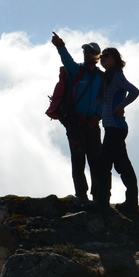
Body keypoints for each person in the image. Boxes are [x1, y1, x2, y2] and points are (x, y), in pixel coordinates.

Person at [51, 32, 103, 203]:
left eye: (91, 52)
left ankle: (98, 196)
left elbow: (104, 100)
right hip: (75, 122)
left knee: (96, 160)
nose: (87, 54)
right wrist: (60, 46)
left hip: (92, 124)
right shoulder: (76, 71)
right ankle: (81, 194)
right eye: (85, 52)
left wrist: (99, 116)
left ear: (97, 56)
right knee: (78, 159)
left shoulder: (102, 78)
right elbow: (66, 60)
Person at [92, 47, 139, 212]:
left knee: (103, 164)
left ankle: (103, 202)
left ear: (114, 59)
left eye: (106, 56)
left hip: (115, 127)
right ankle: (131, 203)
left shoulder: (117, 75)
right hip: (114, 127)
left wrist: (121, 106)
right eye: (101, 56)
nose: (102, 58)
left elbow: (134, 91)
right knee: (122, 165)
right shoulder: (109, 76)